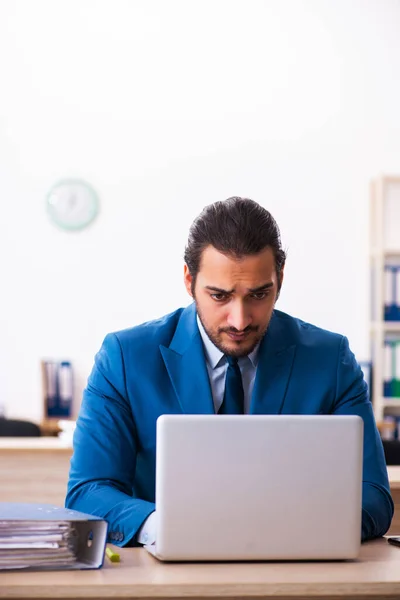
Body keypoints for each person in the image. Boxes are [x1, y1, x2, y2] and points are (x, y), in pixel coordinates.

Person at [66, 197, 393, 547]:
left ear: (279, 280)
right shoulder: (125, 359)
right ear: (189, 280)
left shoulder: (330, 360)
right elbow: (88, 492)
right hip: (167, 574)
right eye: (220, 296)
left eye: (259, 295)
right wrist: (165, 528)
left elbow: (373, 495)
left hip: (295, 568)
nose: (240, 320)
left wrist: (286, 528)